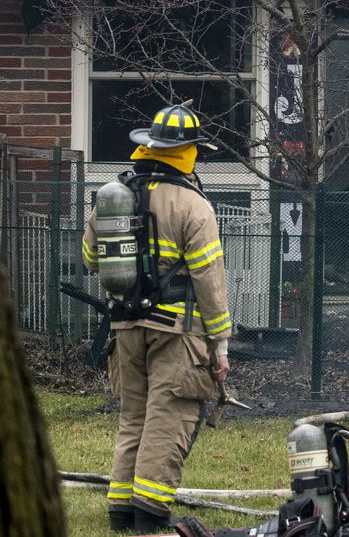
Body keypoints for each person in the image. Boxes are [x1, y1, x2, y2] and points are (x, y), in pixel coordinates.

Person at [81, 104, 231, 533]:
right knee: (170, 414)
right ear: (187, 152)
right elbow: (209, 279)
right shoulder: (192, 205)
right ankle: (150, 511)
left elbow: (90, 258)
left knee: (134, 416)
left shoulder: (115, 194)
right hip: (176, 332)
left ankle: (121, 509)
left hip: (124, 326)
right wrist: (220, 344)